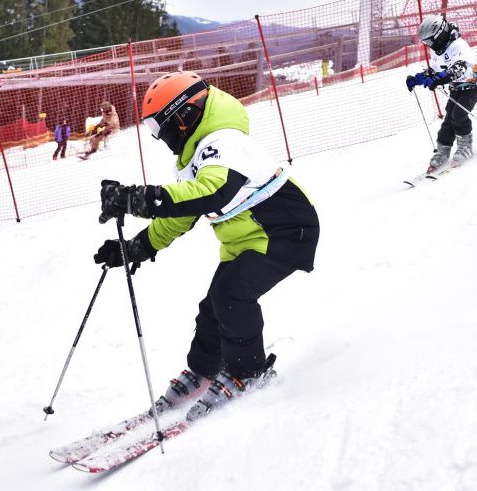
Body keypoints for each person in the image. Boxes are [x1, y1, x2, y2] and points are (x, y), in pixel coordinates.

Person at [93, 71, 319, 422]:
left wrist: (137, 198)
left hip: (285, 230)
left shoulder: (226, 142)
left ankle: (249, 372)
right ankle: (204, 368)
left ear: (182, 117)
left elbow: (213, 192)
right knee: (214, 305)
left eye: (158, 128)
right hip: (247, 238)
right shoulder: (194, 155)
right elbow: (181, 214)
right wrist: (135, 247)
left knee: (232, 295)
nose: (158, 137)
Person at [406, 16, 477, 173]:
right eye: (427, 43)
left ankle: (465, 146)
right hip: (457, 87)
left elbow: (459, 68)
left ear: (439, 35)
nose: (430, 46)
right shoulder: (438, 50)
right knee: (449, 118)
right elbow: (435, 70)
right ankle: (443, 150)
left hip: (473, 85)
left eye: (430, 41)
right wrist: (418, 79)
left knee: (458, 116)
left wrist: (439, 79)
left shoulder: (459, 46)